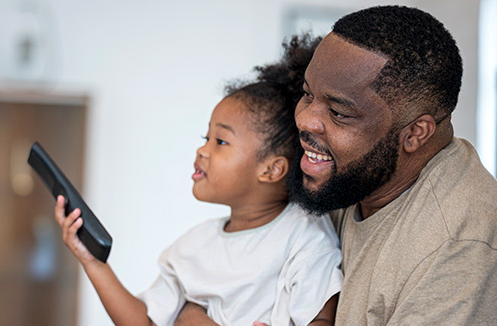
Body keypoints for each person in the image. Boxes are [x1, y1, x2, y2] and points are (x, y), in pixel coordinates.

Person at [176, 5, 497, 326]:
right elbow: (211, 290)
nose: (304, 120)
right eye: (307, 94)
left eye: (339, 113)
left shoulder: (460, 250)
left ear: (414, 133)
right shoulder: (345, 173)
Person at [55, 34, 343, 326]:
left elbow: (321, 317)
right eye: (206, 138)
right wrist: (93, 263)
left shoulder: (305, 235)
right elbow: (144, 322)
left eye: (220, 141)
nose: (201, 150)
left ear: (271, 170)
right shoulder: (192, 248)